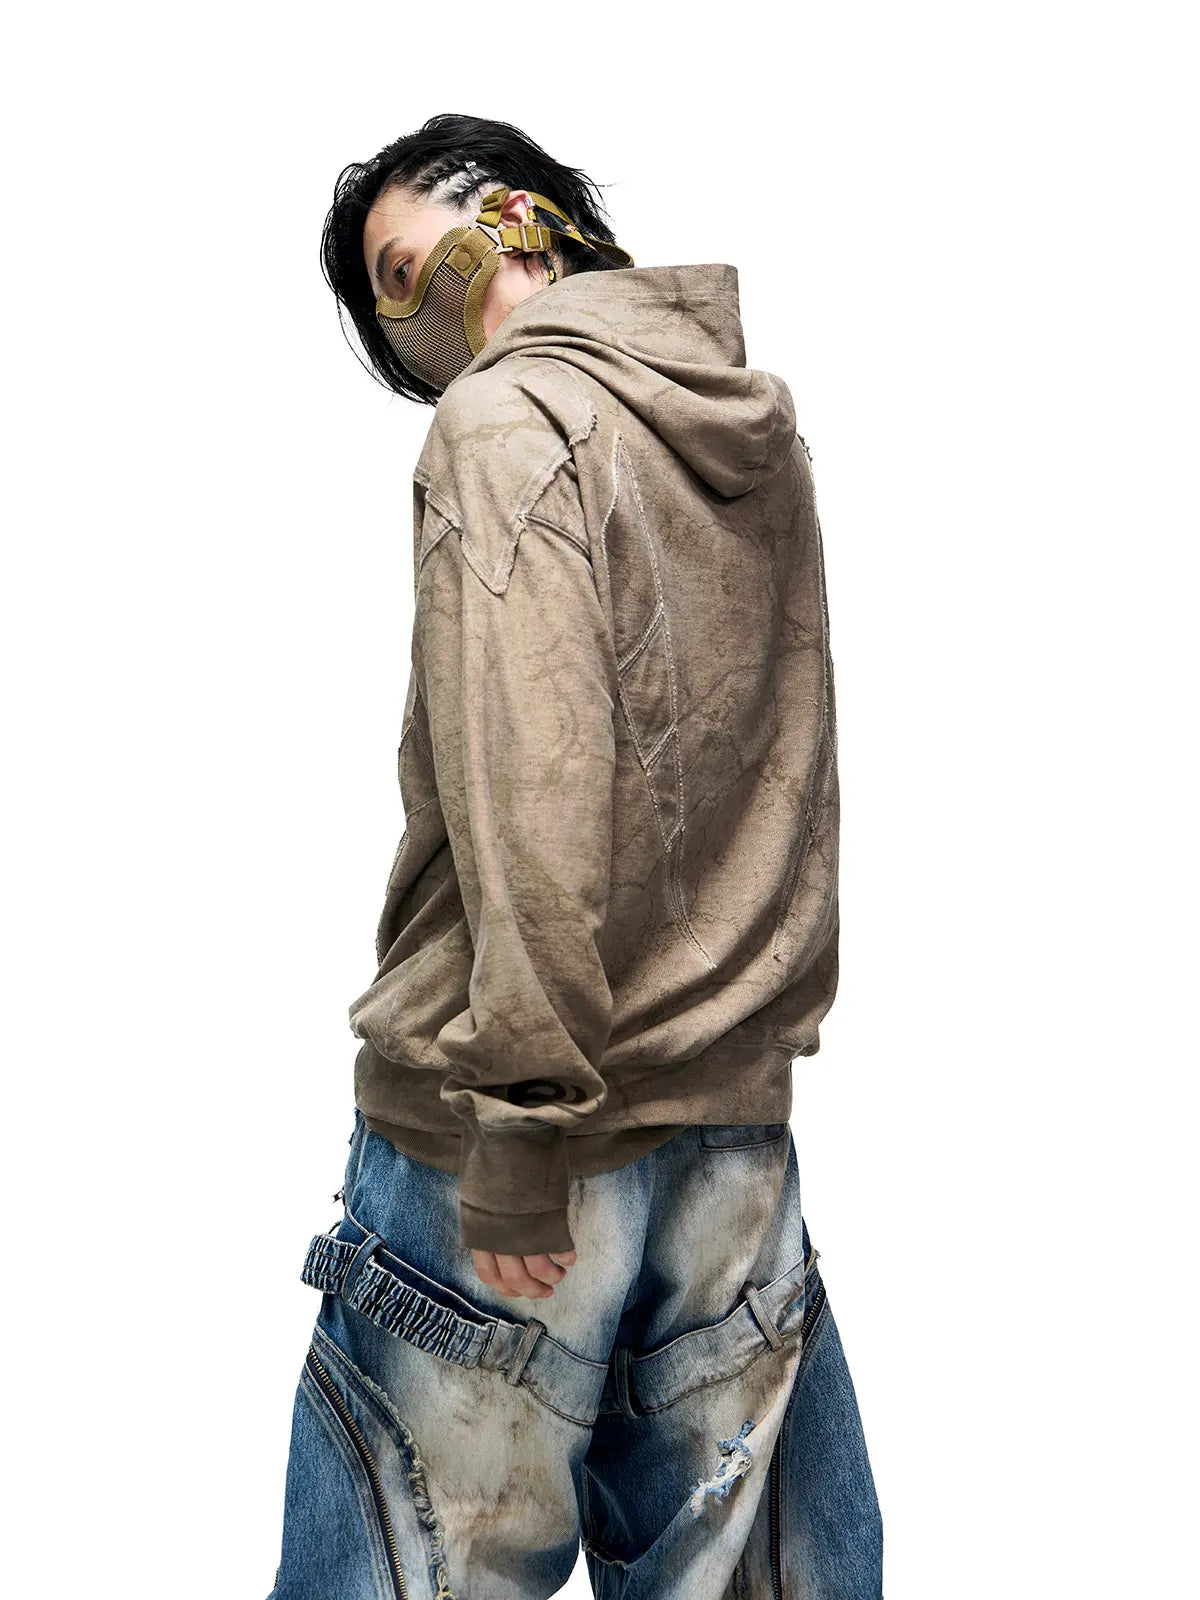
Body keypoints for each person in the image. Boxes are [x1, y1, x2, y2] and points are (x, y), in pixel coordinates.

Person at [266, 112, 883, 1600]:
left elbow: (534, 782)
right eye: (384, 305)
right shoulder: (748, 429)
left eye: (403, 269)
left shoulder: (499, 426)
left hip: (517, 1155)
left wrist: (525, 1133)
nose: (410, 323)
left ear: (515, 217)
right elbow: (787, 771)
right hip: (728, 1151)